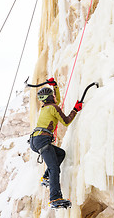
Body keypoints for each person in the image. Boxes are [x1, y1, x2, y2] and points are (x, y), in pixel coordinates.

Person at [30, 77, 82, 208]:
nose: (54, 97)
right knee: (54, 168)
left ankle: (46, 178)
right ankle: (54, 199)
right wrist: (75, 110)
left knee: (60, 154)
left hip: (36, 140)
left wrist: (55, 86)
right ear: (49, 98)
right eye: (52, 95)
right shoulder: (53, 108)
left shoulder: (46, 107)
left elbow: (56, 100)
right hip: (42, 140)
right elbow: (65, 121)